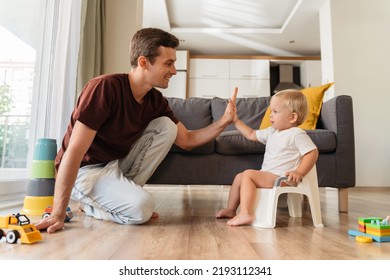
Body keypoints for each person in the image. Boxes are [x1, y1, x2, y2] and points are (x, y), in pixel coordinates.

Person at [35, 27, 237, 234]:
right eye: (168, 63)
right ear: (143, 62)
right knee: (142, 208)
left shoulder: (155, 101)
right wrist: (58, 214)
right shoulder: (104, 88)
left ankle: (117, 202)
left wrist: (224, 121)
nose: (174, 71)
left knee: (166, 126)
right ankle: (97, 205)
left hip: (115, 166)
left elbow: (186, 140)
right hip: (85, 171)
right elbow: (75, 152)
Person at [216, 89, 318, 226]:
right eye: (271, 111)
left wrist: (299, 172)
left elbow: (312, 152)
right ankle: (231, 209)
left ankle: (246, 213)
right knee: (240, 177)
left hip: (283, 178)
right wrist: (236, 120)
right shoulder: (272, 131)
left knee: (248, 174)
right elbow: (251, 134)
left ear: (292, 117)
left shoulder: (296, 134)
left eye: (275, 112)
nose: (270, 116)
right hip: (270, 175)